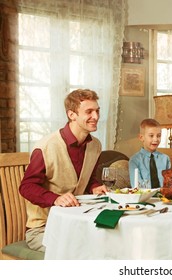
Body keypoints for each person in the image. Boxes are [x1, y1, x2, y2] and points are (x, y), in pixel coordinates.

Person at [19, 89, 107, 252]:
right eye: (89, 111)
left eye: (97, 111)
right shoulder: (46, 147)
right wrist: (55, 199)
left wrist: (94, 186)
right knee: (84, 251)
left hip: (77, 222)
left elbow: (88, 179)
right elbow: (26, 187)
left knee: (111, 243)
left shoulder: (95, 145)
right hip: (43, 229)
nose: (95, 116)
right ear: (72, 114)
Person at [129, 118, 170, 188]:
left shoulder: (165, 159)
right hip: (144, 196)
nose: (156, 139)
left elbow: (169, 182)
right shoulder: (134, 160)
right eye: (151, 136)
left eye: (158, 135)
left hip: (163, 196)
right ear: (141, 137)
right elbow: (136, 185)